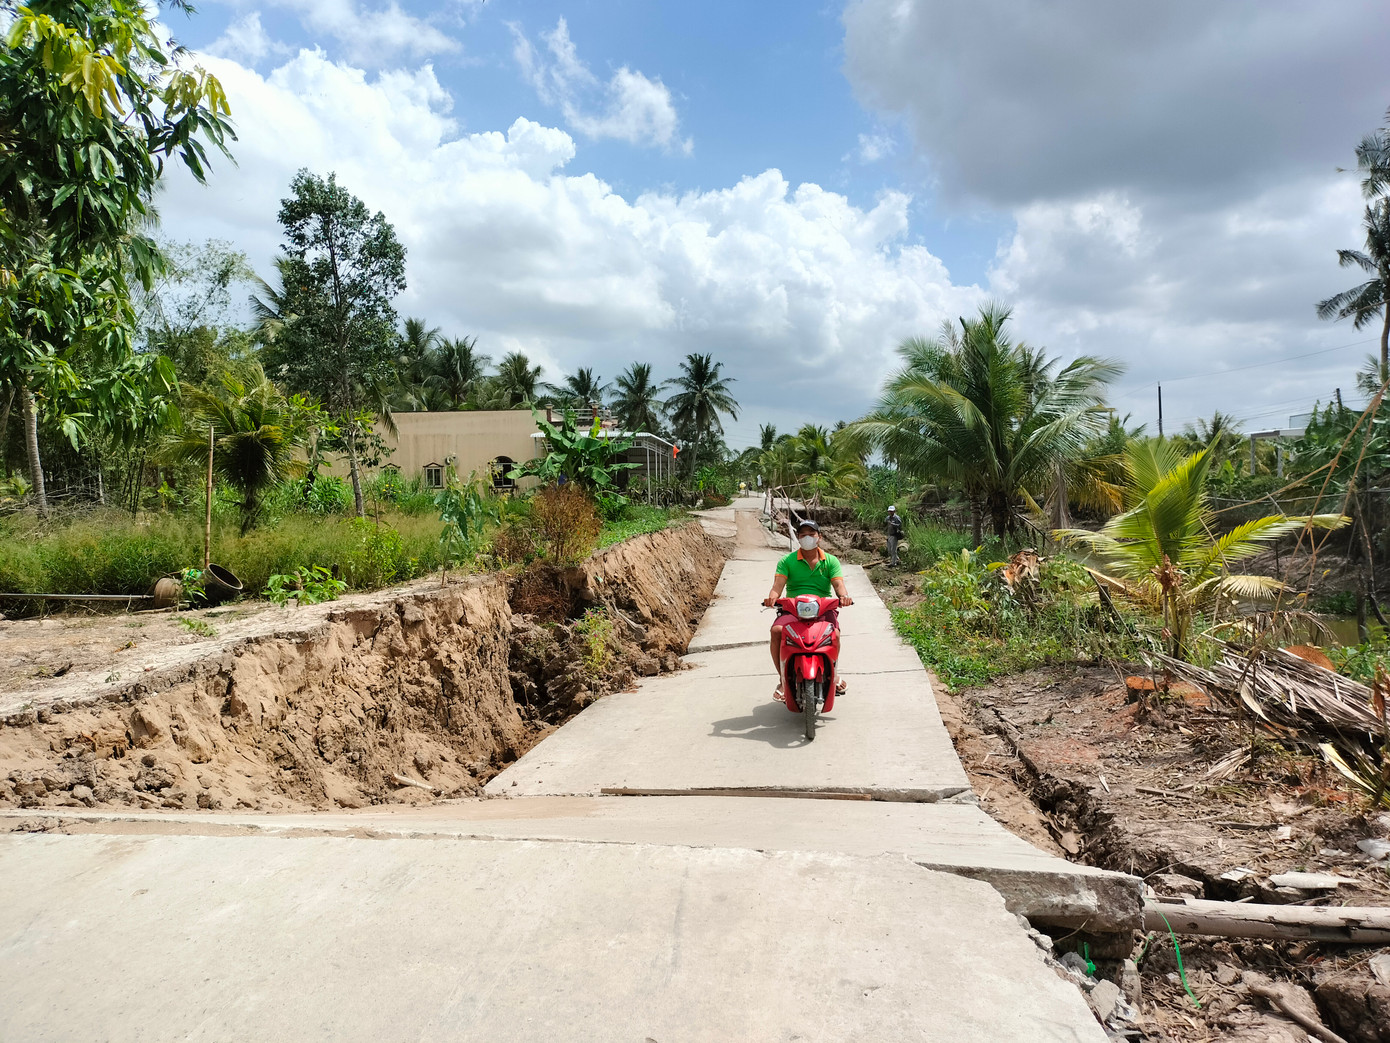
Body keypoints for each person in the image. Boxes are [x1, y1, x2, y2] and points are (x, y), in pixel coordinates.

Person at [762, 519, 853, 700]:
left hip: (823, 607)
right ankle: (783, 679)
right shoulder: (787, 561)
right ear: (798, 538)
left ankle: (833, 675)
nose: (807, 538)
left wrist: (844, 596)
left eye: (811, 534)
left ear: (819, 537)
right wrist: (772, 597)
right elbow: (777, 586)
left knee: (834, 634)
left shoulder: (831, 561)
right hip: (793, 608)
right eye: (803, 535)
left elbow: (838, 584)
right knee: (776, 631)